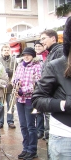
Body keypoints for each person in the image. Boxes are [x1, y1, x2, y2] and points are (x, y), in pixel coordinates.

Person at [32, 16, 71, 160]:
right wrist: (63, 104)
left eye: (44, 39)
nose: (41, 42)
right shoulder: (57, 64)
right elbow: (38, 99)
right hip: (65, 136)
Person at [12, 47, 42, 159]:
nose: (26, 56)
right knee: (23, 125)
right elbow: (15, 78)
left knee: (30, 126)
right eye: (24, 54)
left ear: (33, 56)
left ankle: (32, 149)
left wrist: (22, 90)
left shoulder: (37, 66)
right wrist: (15, 84)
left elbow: (37, 83)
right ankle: (25, 148)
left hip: (29, 99)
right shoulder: (20, 65)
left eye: (28, 55)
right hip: (19, 99)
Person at [39, 29, 64, 141]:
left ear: (53, 38)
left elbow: (60, 75)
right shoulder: (51, 53)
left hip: (54, 96)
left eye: (43, 38)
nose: (41, 42)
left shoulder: (59, 51)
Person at [0, 45, 16, 129]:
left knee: (10, 105)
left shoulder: (14, 60)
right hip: (1, 87)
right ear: (1, 51)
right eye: (4, 50)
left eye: (7, 50)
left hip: (10, 87)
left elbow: (16, 71)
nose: (6, 51)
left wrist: (11, 72)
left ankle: (10, 121)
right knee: (1, 106)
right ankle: (0, 122)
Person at [34, 40, 48, 139]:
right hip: (36, 86)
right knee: (38, 111)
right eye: (36, 46)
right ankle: (40, 130)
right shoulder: (33, 58)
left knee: (46, 112)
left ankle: (46, 131)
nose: (38, 48)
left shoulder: (46, 56)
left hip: (45, 85)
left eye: (40, 46)